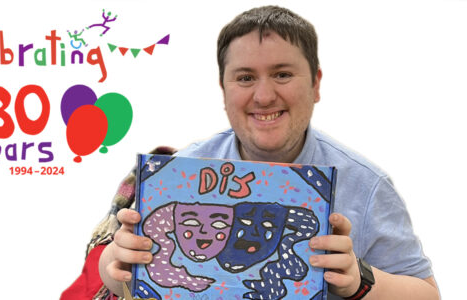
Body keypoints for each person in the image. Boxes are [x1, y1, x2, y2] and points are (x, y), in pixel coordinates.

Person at [93, 5, 439, 300]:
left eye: (282, 74)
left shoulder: (366, 185)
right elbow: (115, 273)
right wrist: (116, 259)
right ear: (223, 89)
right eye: (245, 78)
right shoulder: (180, 171)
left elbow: (427, 292)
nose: (263, 96)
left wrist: (360, 279)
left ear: (316, 84)